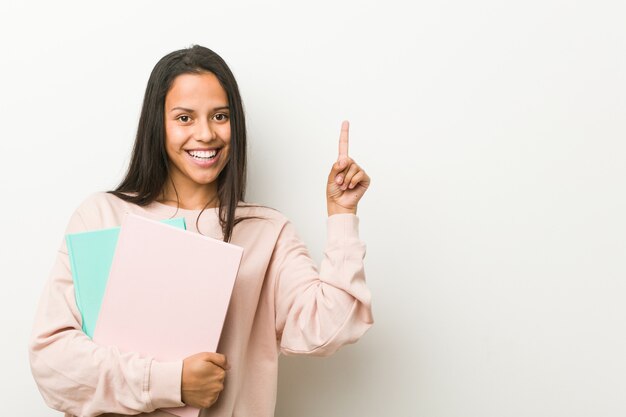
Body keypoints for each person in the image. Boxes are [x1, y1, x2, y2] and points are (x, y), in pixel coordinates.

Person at [29, 45, 373, 417]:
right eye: (184, 118)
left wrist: (341, 215)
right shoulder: (102, 215)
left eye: (220, 116)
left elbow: (329, 330)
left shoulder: (267, 233)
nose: (205, 134)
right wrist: (170, 382)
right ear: (157, 124)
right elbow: (53, 364)